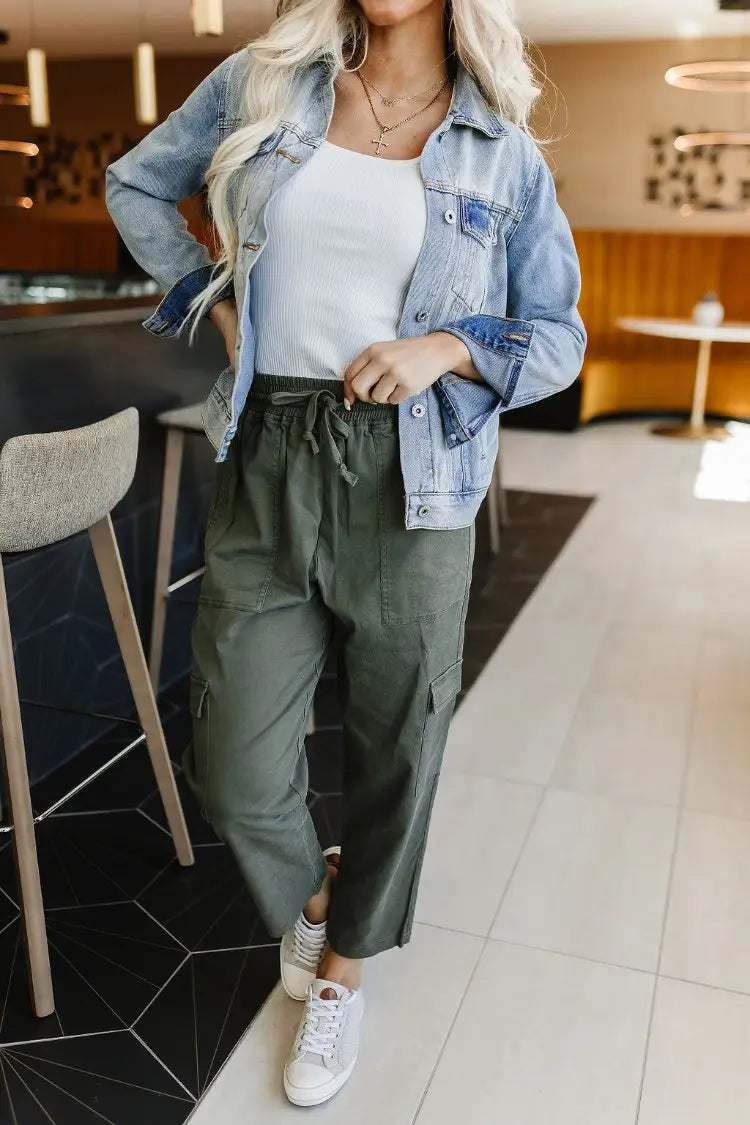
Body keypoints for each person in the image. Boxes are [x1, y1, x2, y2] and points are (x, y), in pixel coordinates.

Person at [106, 0, 585, 1107]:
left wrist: (448, 347)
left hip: (411, 473)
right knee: (231, 759)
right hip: (268, 449)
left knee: (396, 743)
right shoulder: (264, 82)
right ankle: (323, 902)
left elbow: (559, 333)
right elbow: (136, 184)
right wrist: (211, 296)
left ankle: (345, 970)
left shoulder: (501, 150)